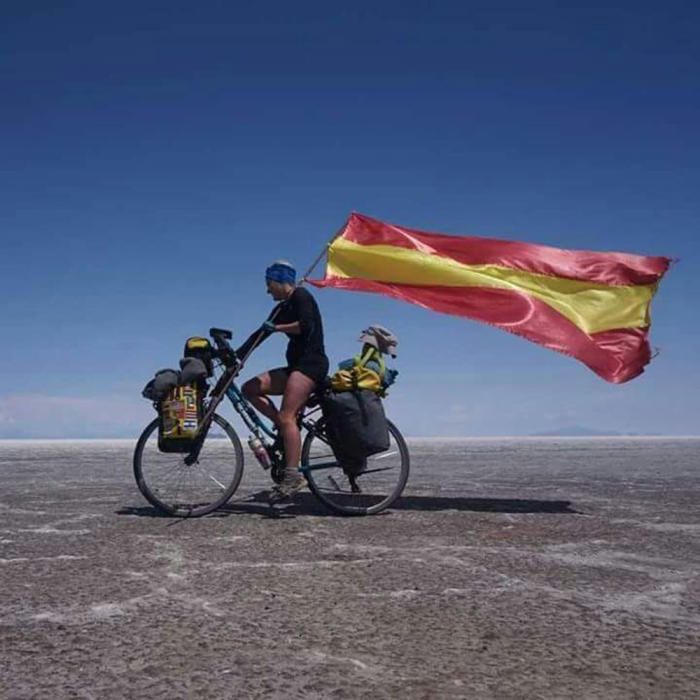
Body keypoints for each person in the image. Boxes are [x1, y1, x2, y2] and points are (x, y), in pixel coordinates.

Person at [236, 260, 329, 501]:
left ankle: (293, 475)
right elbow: (260, 334)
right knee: (250, 388)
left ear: (280, 281)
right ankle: (283, 428)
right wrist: (237, 358)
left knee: (288, 415)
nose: (268, 291)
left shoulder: (302, 296)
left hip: (311, 366)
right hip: (295, 367)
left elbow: (306, 326)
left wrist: (278, 328)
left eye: (270, 285)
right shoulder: (283, 307)